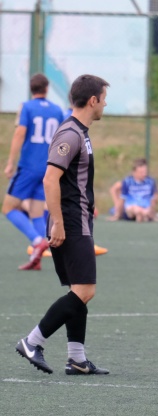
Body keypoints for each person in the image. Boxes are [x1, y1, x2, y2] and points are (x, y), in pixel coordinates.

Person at [15, 74, 110, 375]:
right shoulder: (70, 134)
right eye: (103, 99)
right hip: (70, 222)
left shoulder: (79, 131)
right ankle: (32, 341)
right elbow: (50, 179)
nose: (105, 104)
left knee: (78, 289)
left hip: (77, 219)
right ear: (93, 100)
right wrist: (57, 222)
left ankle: (77, 359)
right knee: (85, 290)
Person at [2, 73, 64, 270]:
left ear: (31, 89)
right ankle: (44, 255)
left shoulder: (27, 107)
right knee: (37, 213)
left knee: (8, 208)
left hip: (29, 167)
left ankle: (37, 242)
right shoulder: (57, 110)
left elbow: (20, 133)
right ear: (47, 89)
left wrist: (10, 162)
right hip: (48, 168)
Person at [108, 158, 158, 222]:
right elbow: (122, 198)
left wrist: (153, 214)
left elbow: (154, 199)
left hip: (146, 208)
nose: (144, 174)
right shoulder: (127, 182)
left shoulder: (150, 182)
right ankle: (139, 215)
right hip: (131, 208)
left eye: (145, 172)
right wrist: (117, 214)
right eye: (141, 172)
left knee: (146, 211)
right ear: (134, 172)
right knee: (134, 209)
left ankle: (142, 215)